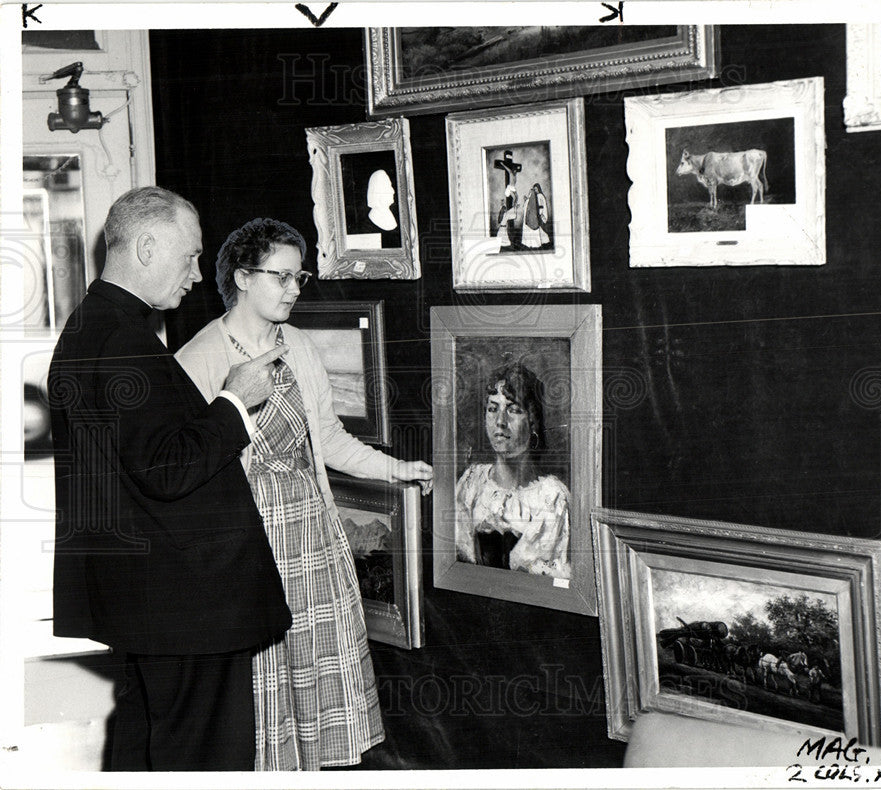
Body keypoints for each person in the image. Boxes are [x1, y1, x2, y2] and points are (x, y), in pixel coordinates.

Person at [47, 186, 293, 771]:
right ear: (148, 245)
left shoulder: (91, 327)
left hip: (144, 602)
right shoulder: (124, 342)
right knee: (204, 758)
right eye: (188, 257)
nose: (195, 274)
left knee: (144, 747)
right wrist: (235, 399)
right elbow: (167, 468)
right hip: (185, 607)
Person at [175, 217, 432, 770]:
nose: (295, 290)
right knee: (265, 688)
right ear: (242, 277)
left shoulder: (298, 346)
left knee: (319, 681)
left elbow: (331, 439)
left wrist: (396, 469)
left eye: (300, 277)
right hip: (249, 551)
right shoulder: (198, 360)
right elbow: (185, 473)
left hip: (312, 541)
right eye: (282, 277)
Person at [454, 363, 570, 578]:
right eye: (492, 409)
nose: (500, 422)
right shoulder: (471, 483)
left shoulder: (552, 497)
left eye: (513, 410)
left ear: (533, 421)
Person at [520, 183, 550, 249]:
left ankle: (543, 242)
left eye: (536, 189)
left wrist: (539, 214)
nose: (535, 190)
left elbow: (541, 206)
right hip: (536, 214)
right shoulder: (535, 197)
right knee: (539, 230)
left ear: (538, 189)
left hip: (539, 214)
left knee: (540, 229)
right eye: (534, 189)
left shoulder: (540, 196)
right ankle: (543, 242)